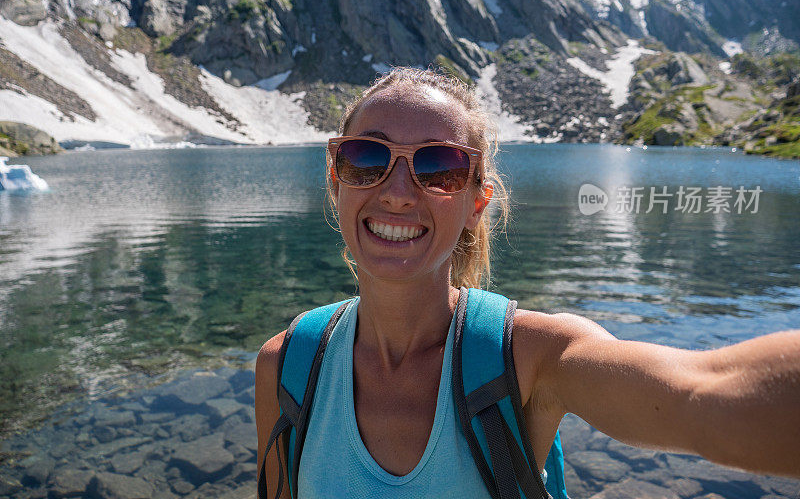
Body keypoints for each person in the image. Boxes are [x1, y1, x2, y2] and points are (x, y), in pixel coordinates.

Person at [255, 67, 800, 498]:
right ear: (336, 177)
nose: (397, 192)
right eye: (366, 158)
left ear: (477, 202)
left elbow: (703, 393)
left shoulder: (531, 359)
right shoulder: (288, 367)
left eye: (439, 167)